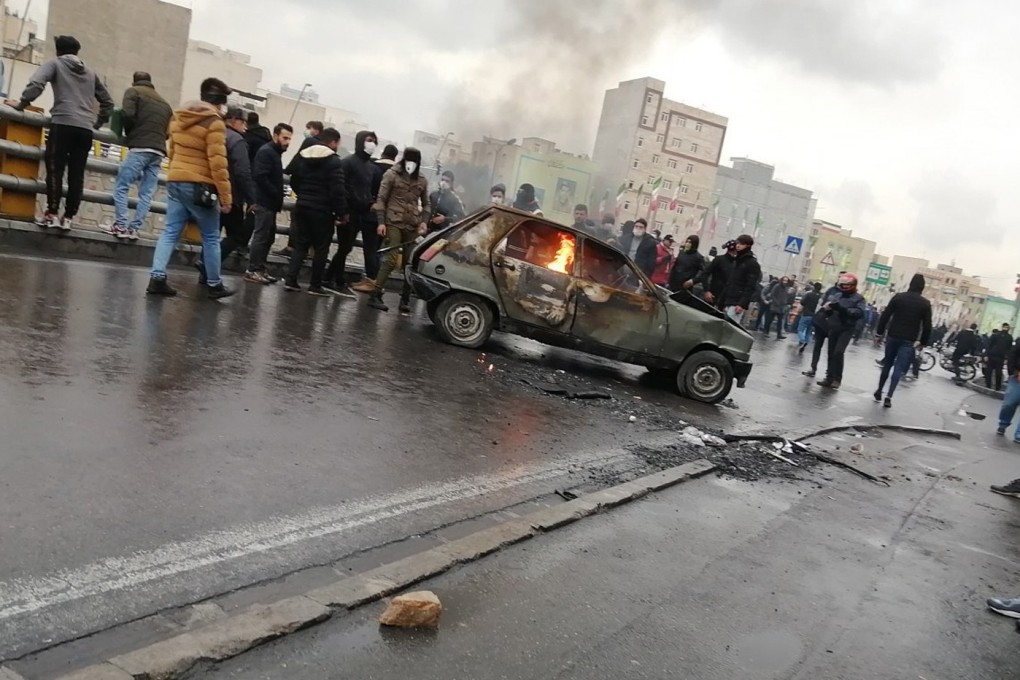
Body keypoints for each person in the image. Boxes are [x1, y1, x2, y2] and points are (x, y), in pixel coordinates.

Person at [6, 35, 113, 231]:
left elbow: (36, 84)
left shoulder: (54, 64)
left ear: (58, 50)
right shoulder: (90, 72)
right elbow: (108, 102)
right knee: (77, 174)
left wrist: (21, 104)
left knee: (55, 169)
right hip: (85, 129)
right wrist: (96, 123)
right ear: (76, 51)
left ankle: (52, 213)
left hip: (63, 123)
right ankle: (69, 217)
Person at [145, 77, 233, 299]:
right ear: (220, 102)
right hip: (200, 185)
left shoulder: (179, 116)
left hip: (175, 180)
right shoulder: (214, 123)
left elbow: (172, 151)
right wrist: (226, 197)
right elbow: (218, 163)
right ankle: (214, 284)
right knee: (211, 236)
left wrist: (175, 175)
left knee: (170, 231)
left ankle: (157, 278)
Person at [103, 71, 172, 240]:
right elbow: (169, 132)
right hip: (158, 151)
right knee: (147, 193)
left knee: (122, 186)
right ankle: (134, 229)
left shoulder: (133, 92)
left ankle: (120, 225)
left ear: (134, 82)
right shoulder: (165, 104)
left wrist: (129, 133)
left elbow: (127, 114)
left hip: (140, 147)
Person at [366, 147, 430, 313]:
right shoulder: (391, 174)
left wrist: (424, 221)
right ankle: (376, 293)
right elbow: (381, 199)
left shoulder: (422, 180)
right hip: (393, 221)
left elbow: (426, 203)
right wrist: (381, 222)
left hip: (412, 224)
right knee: (391, 258)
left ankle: (405, 298)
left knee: (410, 262)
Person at [284, 127, 346, 296]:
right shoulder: (334, 162)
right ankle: (315, 285)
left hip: (302, 206)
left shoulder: (304, 156)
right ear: (333, 142)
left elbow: (294, 179)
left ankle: (291, 280)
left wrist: (303, 195)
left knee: (300, 245)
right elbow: (337, 190)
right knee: (321, 247)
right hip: (322, 210)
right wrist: (341, 213)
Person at [200, 107, 258, 277]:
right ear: (233, 120)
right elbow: (242, 172)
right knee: (237, 236)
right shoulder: (237, 140)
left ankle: (205, 271)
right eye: (243, 122)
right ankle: (207, 265)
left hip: (210, 192)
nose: (245, 126)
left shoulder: (214, 134)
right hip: (232, 195)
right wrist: (251, 198)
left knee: (212, 234)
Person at [324, 130, 378, 298]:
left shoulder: (371, 167)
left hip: (362, 213)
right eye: (369, 140)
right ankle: (332, 279)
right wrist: (343, 211)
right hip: (348, 212)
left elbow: (367, 189)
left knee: (346, 248)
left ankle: (335, 279)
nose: (372, 144)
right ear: (361, 141)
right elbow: (342, 187)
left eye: (374, 141)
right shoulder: (347, 162)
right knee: (344, 247)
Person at [873, 274, 932, 407]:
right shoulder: (925, 304)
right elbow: (928, 326)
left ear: (910, 284)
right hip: (908, 340)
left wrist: (879, 333)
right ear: (922, 287)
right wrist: (923, 342)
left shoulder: (898, 298)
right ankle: (889, 396)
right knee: (898, 368)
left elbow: (885, 316)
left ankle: (879, 390)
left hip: (893, 336)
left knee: (887, 363)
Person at [244, 122, 292, 284]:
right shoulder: (267, 152)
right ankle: (252, 270)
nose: (287, 142)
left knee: (268, 236)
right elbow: (260, 176)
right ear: (275, 136)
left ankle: (260, 267)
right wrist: (275, 192)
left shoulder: (274, 153)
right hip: (264, 201)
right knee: (261, 236)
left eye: (289, 139)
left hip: (270, 203)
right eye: (285, 138)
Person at [816, 273, 867, 389]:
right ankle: (829, 377)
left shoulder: (859, 298)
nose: (843, 287)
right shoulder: (837, 295)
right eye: (842, 284)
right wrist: (827, 310)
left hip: (847, 328)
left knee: (838, 352)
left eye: (846, 285)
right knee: (830, 352)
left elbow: (859, 313)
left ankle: (837, 378)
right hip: (834, 326)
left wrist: (843, 310)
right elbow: (830, 309)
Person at [719, 234, 761, 323]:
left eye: (742, 244)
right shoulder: (737, 261)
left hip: (737, 302)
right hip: (728, 300)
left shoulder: (752, 263)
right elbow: (730, 282)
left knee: (730, 328)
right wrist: (721, 301)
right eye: (737, 243)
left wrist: (742, 304)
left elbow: (750, 286)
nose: (738, 245)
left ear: (748, 245)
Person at [695, 239, 736, 308]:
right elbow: (705, 274)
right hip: (712, 296)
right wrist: (707, 290)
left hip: (725, 301)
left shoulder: (737, 264)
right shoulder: (719, 260)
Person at [994, 337, 1020, 441]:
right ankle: (1003, 424)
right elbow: (1013, 355)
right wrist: (1014, 371)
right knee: (1009, 403)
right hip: (1017, 377)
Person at [428, 169, 466, 234]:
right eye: (442, 180)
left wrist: (445, 219)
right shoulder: (433, 195)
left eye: (447, 181)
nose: (444, 183)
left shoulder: (455, 199)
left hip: (442, 233)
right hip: (428, 229)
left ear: (451, 183)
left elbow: (461, 217)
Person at [762, 276, 794, 340]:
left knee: (780, 321)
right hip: (775, 306)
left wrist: (786, 300)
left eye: (786, 281)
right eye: (784, 280)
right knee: (769, 320)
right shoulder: (777, 286)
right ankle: (766, 331)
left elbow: (787, 296)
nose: (785, 282)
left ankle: (779, 334)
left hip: (782, 307)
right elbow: (772, 294)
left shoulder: (786, 288)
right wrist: (776, 301)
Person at [985, 323, 1013, 391]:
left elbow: (1009, 349)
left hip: (997, 356)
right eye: (1005, 327)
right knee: (992, 371)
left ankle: (993, 386)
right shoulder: (1005, 337)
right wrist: (987, 354)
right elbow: (989, 345)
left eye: (1007, 327)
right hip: (996, 356)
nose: (1006, 329)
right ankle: (993, 386)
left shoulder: (1006, 337)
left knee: (995, 372)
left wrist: (1006, 358)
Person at [797, 282, 823, 353]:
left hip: (806, 314)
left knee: (800, 329)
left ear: (814, 287)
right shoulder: (821, 296)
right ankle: (806, 342)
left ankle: (802, 341)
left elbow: (802, 302)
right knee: (809, 331)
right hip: (815, 316)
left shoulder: (808, 294)